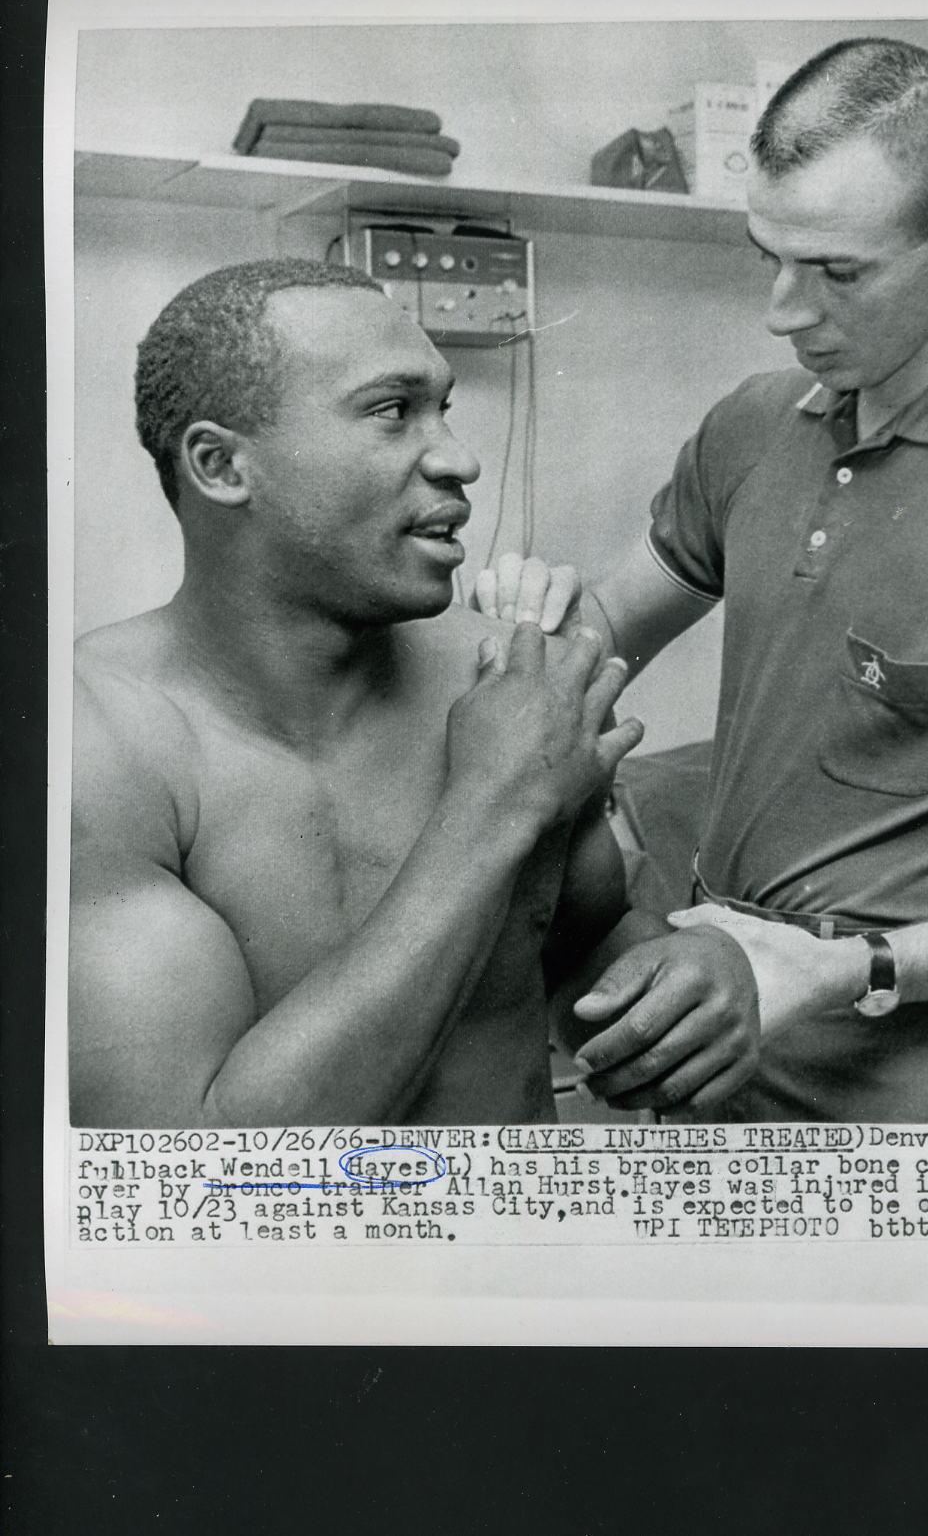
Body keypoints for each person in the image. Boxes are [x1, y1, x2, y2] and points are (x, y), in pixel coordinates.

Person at [475, 38, 928, 1123]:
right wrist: (530, 626)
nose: (786, 312)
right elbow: (604, 630)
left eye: (839, 272)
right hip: (713, 1036)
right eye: (770, 259)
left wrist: (850, 970)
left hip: (922, 1087)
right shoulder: (755, 423)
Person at [68, 259, 759, 1129]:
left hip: (515, 1258)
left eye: (444, 409)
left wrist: (695, 972)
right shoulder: (96, 748)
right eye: (393, 411)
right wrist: (492, 802)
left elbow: (585, 941)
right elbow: (204, 1174)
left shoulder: (514, 679)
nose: (458, 459)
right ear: (220, 465)